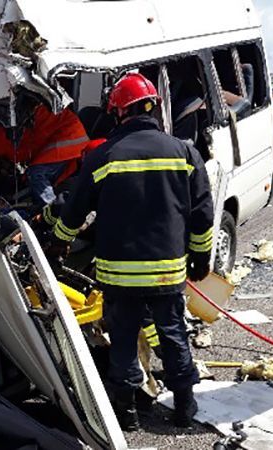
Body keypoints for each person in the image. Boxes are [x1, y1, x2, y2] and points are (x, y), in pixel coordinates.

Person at [45, 73, 214, 430]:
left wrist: (57, 242)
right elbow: (202, 213)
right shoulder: (184, 152)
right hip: (168, 271)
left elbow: (74, 211)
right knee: (172, 333)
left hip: (118, 274)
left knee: (122, 340)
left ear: (118, 112)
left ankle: (128, 414)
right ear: (155, 108)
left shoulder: (104, 155)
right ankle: (184, 407)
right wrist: (201, 259)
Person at [0, 102, 89, 207]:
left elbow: (17, 152)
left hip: (68, 138)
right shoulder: (7, 114)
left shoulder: (1, 130)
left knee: (37, 173)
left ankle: (53, 211)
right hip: (67, 135)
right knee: (31, 176)